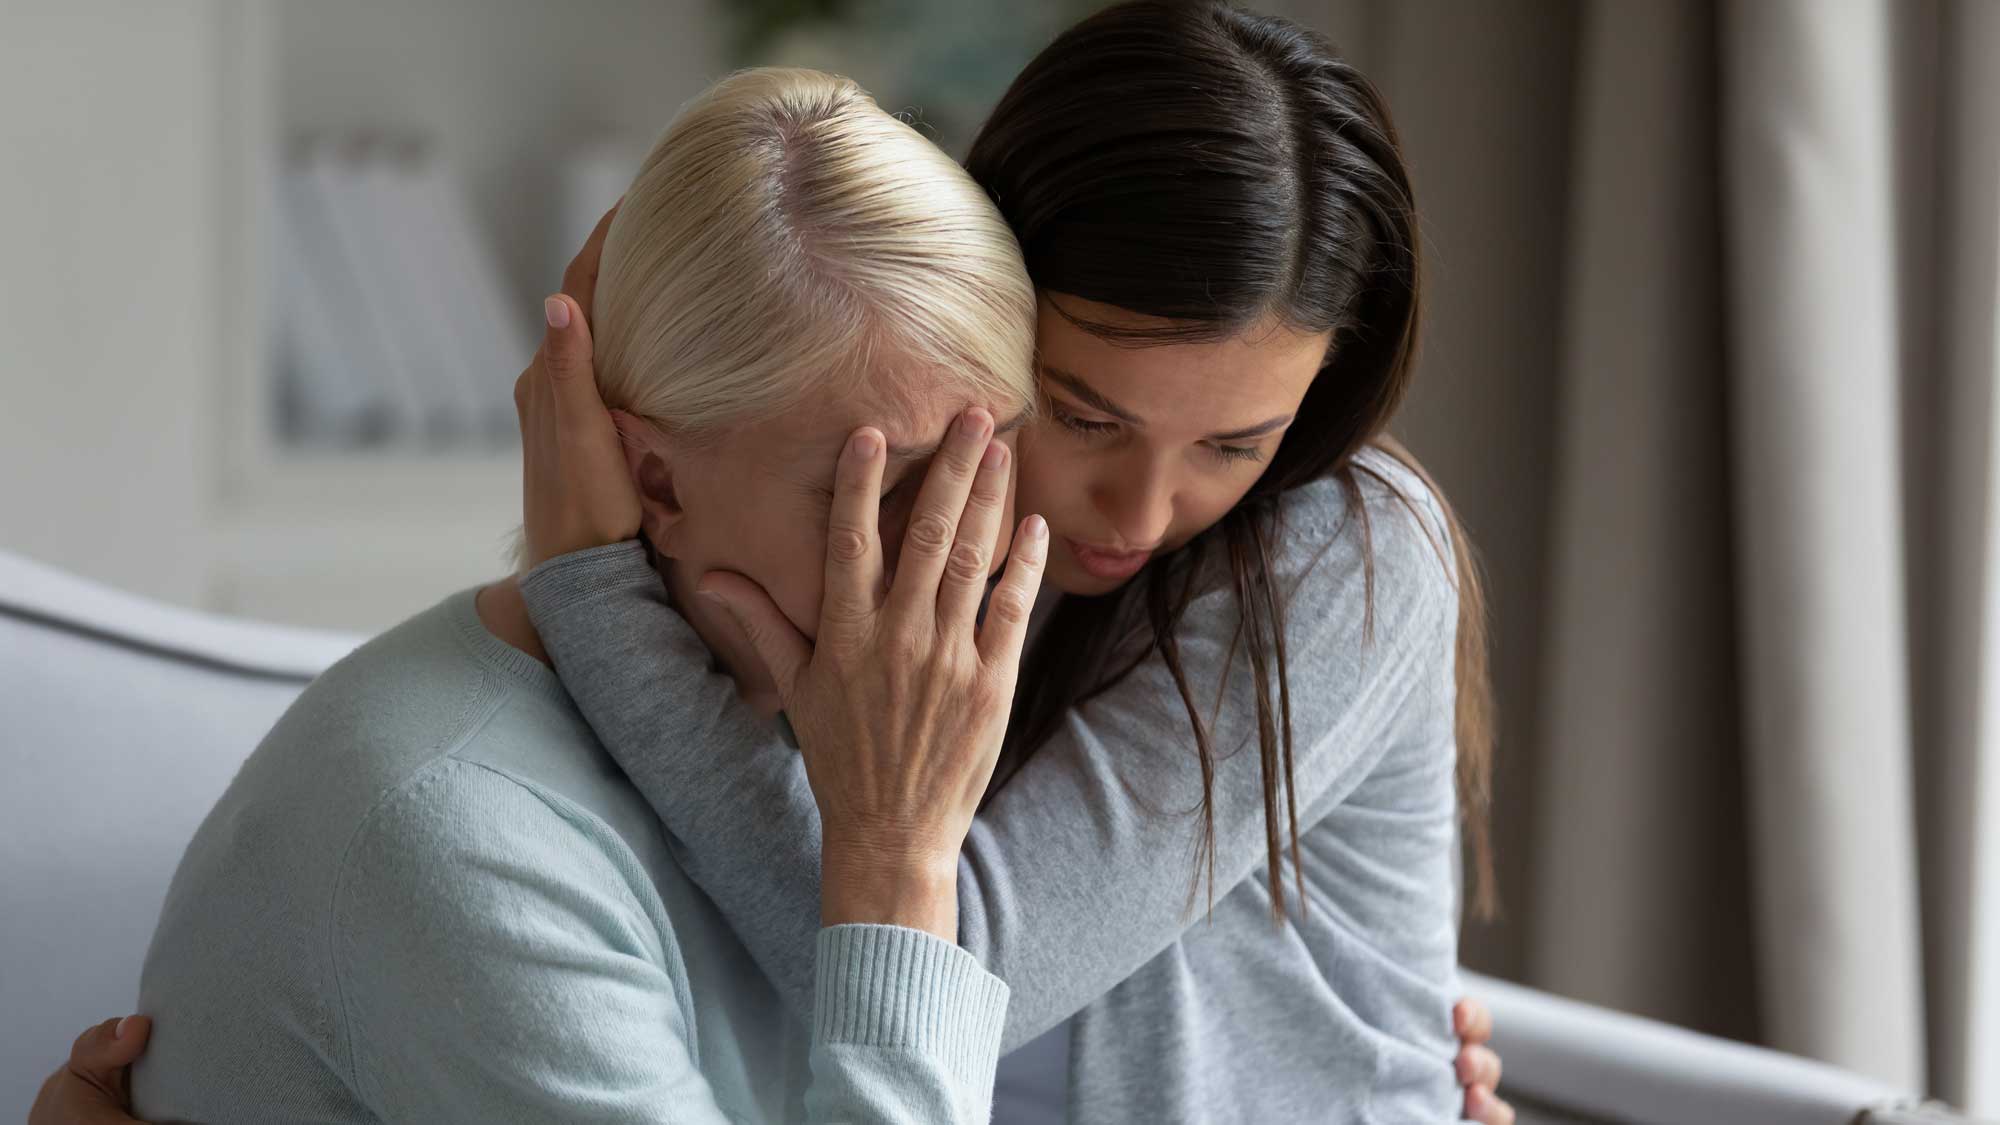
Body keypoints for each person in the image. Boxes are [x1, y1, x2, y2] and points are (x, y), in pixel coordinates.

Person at [507, 2, 1510, 1122]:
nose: (1139, 512)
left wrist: (595, 585)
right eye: (1086, 417)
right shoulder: (874, 516)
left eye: (1233, 446)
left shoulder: (1342, 550)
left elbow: (939, 971)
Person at [113, 68, 1048, 1124]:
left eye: (995, 466)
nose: (966, 552)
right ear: (654, 481)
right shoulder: (456, 839)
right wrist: (894, 857)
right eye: (890, 492)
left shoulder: (817, 721)